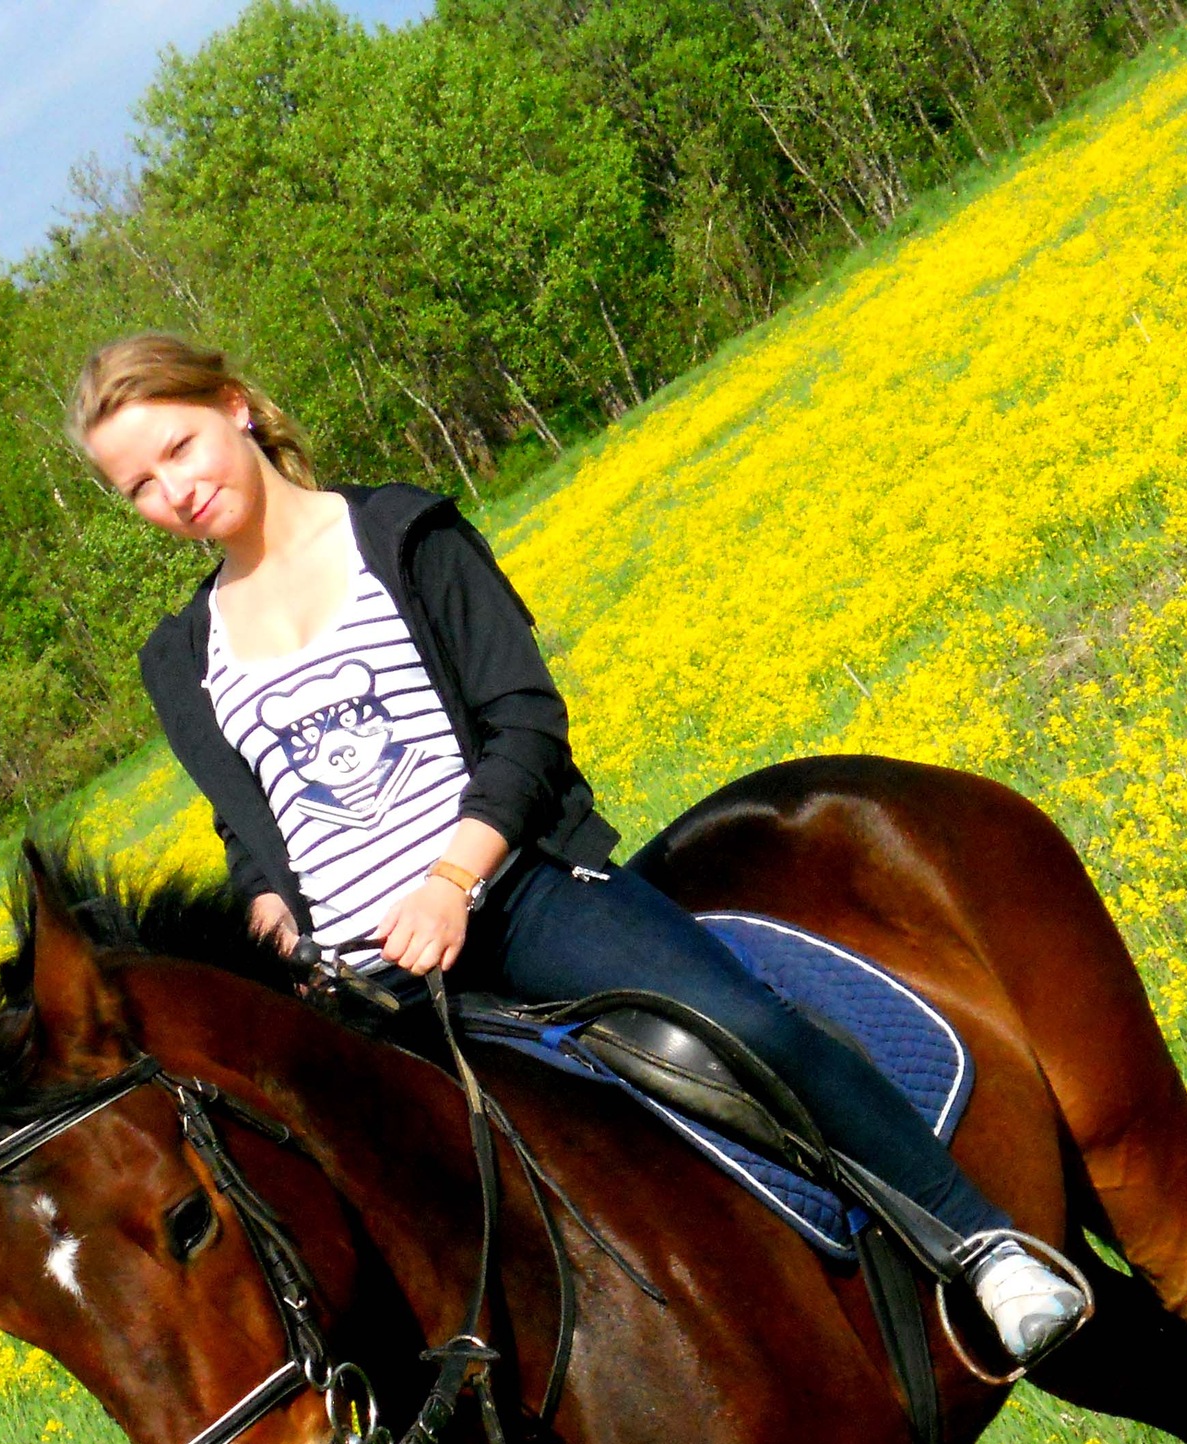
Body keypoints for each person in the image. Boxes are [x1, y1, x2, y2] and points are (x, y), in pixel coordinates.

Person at [69, 334, 1086, 1364]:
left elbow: (522, 724)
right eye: (139, 486)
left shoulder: (401, 535)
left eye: (179, 448)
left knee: (739, 1022)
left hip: (521, 899)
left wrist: (450, 881)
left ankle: (982, 1244)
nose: (173, 492)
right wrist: (271, 921)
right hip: (362, 989)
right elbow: (251, 832)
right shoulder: (181, 658)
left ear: (234, 406)